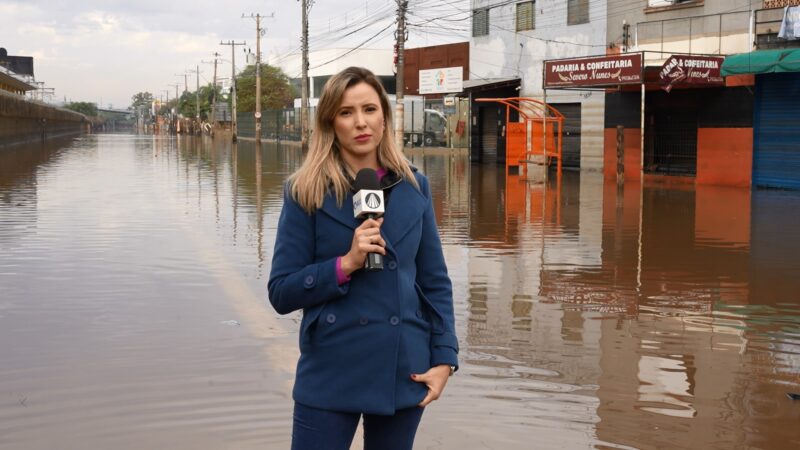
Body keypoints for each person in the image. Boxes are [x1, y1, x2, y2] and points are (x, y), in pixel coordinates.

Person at [267, 66, 458, 450]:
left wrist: (444, 360)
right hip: (331, 367)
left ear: (384, 119)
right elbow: (281, 291)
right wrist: (345, 264)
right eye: (346, 112)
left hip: (404, 367)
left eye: (370, 109)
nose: (360, 123)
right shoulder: (304, 191)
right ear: (330, 123)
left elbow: (435, 282)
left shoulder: (415, 186)